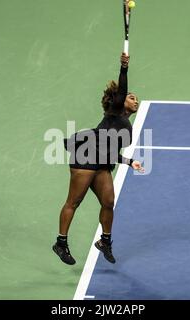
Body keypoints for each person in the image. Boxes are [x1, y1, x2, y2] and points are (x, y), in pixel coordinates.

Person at [53, 52, 144, 265]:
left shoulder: (124, 125)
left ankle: (105, 242)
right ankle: (61, 243)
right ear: (121, 102)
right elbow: (121, 90)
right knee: (74, 201)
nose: (135, 100)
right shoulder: (114, 112)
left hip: (102, 160)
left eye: (136, 98)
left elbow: (110, 151)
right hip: (85, 156)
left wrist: (130, 162)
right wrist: (124, 68)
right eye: (131, 97)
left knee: (108, 202)